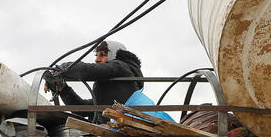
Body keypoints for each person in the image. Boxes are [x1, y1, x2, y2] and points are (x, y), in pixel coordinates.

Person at [44, 40, 174, 124]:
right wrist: (62, 88)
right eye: (96, 55)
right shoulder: (109, 90)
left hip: (122, 134)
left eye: (102, 55)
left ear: (114, 55)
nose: (97, 59)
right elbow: (82, 108)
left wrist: (62, 68)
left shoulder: (120, 66)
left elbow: (87, 70)